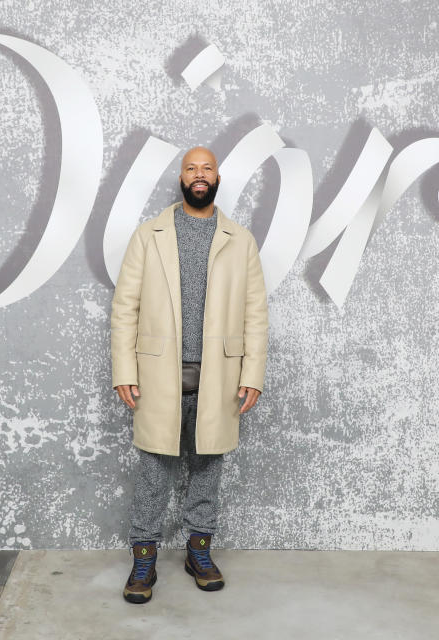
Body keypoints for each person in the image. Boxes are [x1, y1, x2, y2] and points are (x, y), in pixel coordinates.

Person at [110, 146, 269, 604]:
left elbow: (255, 314)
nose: (199, 175)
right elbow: (125, 309)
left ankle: (199, 550)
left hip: (219, 373)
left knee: (207, 465)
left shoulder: (240, 240)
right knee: (154, 468)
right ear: (181, 178)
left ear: (217, 177)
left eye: (207, 168)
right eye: (191, 168)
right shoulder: (149, 235)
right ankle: (144, 559)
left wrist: (252, 373)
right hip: (157, 373)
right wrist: (124, 368)